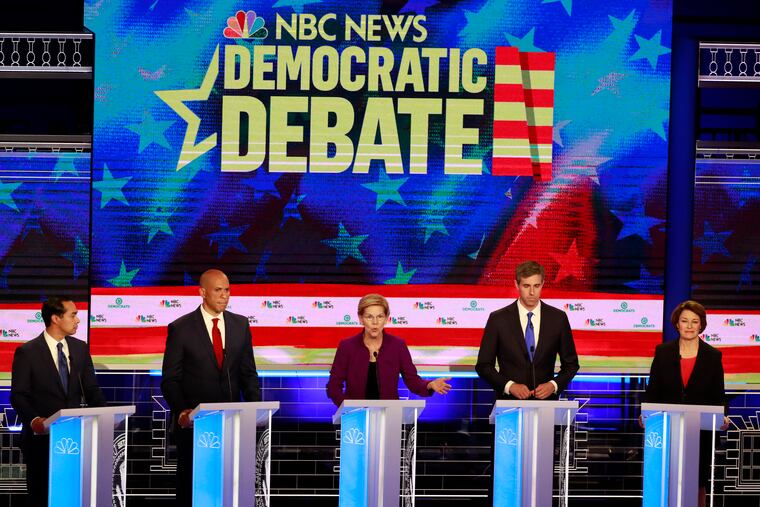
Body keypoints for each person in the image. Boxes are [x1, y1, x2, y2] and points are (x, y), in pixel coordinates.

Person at [161, 269, 260, 506]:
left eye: (227, 290)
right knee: (192, 485)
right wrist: (182, 411)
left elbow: (248, 372)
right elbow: (170, 379)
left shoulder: (240, 324)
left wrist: (255, 407)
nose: (224, 296)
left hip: (231, 424)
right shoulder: (181, 328)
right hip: (195, 425)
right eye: (218, 290)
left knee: (228, 484)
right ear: (202, 292)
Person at [10, 296, 106, 507]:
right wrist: (35, 419)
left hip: (75, 439)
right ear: (55, 318)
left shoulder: (80, 349)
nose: (78, 320)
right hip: (41, 440)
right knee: (41, 496)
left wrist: (105, 415)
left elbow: (91, 389)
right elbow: (18, 394)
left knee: (72, 496)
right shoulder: (28, 352)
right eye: (73, 315)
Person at [641, 300, 729, 507]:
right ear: (677, 324)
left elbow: (719, 393)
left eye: (694, 321)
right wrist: (645, 413)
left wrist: (724, 415)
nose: (689, 326)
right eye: (685, 321)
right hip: (666, 428)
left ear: (701, 325)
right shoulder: (663, 352)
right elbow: (653, 389)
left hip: (700, 431)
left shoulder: (713, 356)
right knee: (665, 476)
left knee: (697, 480)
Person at [476, 260, 579, 399]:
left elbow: (571, 364)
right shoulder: (498, 319)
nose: (532, 292)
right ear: (516, 285)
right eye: (526, 286)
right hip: (509, 404)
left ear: (542, 284)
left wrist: (553, 385)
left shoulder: (558, 318)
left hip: (546, 405)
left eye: (536, 286)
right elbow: (483, 366)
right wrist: (509, 386)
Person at [327, 293, 451, 406]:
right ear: (361, 319)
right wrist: (347, 408)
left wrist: (430, 385)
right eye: (369, 317)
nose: (375, 322)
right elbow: (333, 386)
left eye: (380, 316)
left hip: (389, 415)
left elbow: (413, 381)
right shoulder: (347, 346)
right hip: (355, 417)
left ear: (386, 319)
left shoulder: (398, 346)